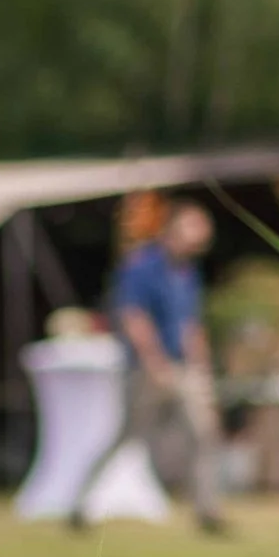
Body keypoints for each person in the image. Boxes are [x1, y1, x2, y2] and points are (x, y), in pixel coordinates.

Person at [110, 199, 225, 533]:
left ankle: (207, 511)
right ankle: (80, 505)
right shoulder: (143, 266)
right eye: (196, 225)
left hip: (183, 367)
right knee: (127, 437)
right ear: (173, 227)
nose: (203, 234)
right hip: (149, 367)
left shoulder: (187, 272)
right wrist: (154, 362)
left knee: (203, 433)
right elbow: (135, 317)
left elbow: (190, 325)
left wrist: (202, 368)